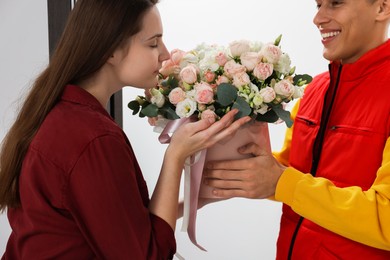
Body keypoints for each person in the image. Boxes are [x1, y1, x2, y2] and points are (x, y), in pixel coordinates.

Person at [0, 0, 250, 259]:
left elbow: (121, 224)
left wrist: (197, 201)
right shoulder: (92, 138)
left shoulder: (65, 114)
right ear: (110, 50)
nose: (165, 54)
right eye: (153, 43)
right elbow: (147, 254)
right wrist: (175, 156)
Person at [204, 0, 390, 259]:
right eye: (318, 5)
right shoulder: (314, 90)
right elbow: (289, 171)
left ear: (382, 7)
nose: (318, 18)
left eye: (335, 3)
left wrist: (281, 181)